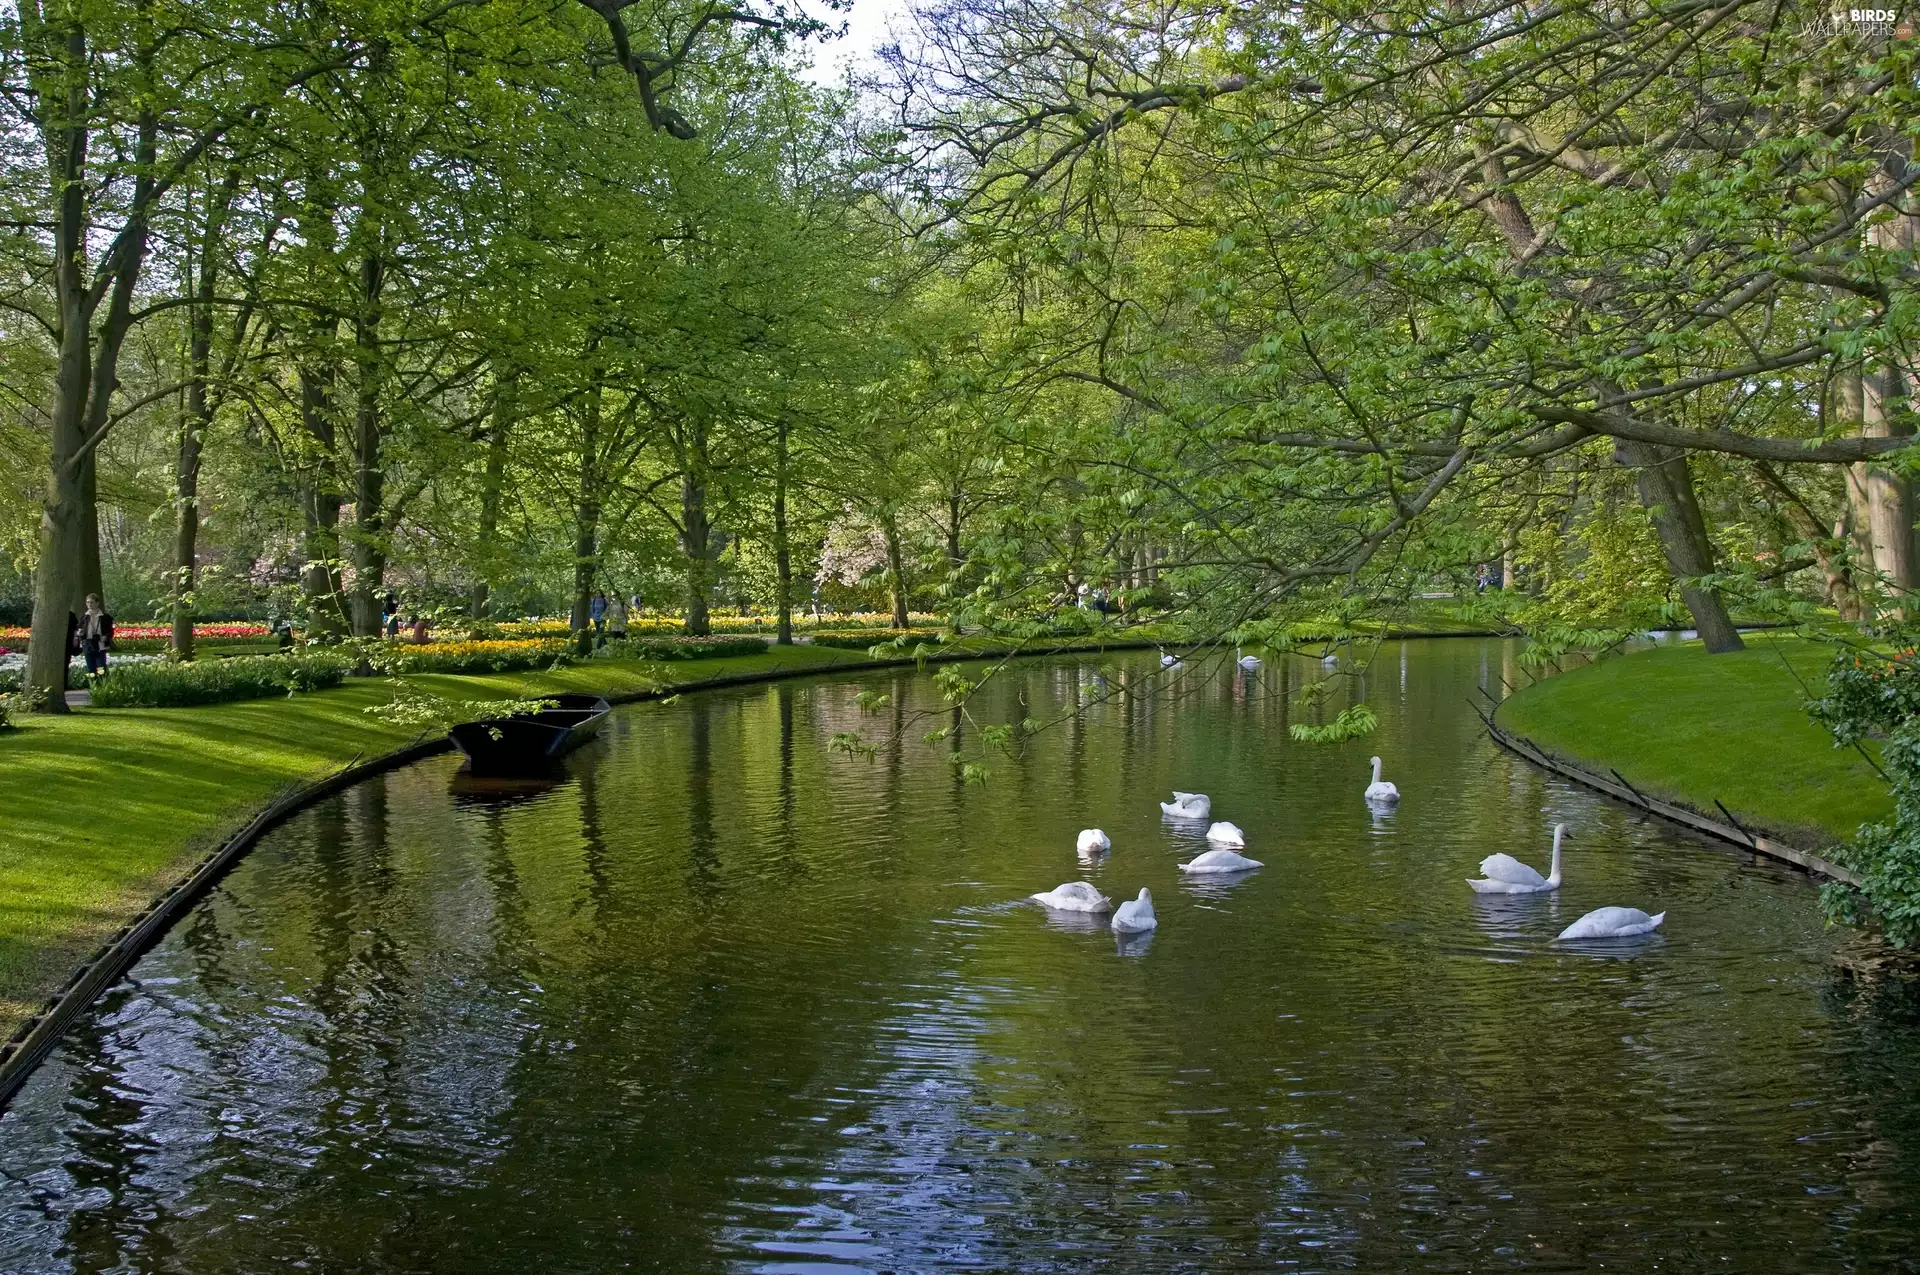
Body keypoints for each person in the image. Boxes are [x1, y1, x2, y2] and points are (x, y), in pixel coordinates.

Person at [75, 594, 114, 676]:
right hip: (87, 644)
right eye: (87, 602)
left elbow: (110, 632)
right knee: (91, 669)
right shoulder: (84, 617)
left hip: (100, 645)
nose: (89, 604)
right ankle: (93, 687)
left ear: (97, 603)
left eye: (91, 602)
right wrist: (79, 633)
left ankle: (102, 687)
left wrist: (105, 637)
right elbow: (78, 629)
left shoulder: (105, 617)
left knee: (101, 668)